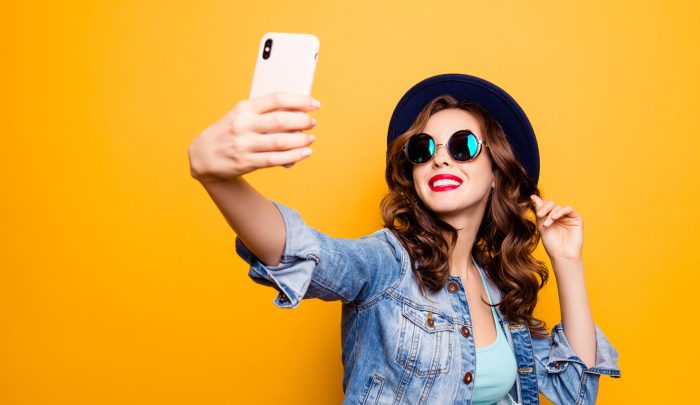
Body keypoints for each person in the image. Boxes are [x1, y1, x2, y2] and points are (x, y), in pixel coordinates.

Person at [188, 74, 621, 404]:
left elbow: (575, 391)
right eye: (422, 149)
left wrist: (567, 261)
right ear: (411, 174)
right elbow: (306, 253)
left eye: (462, 146)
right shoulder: (388, 263)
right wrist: (218, 178)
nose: (439, 158)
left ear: (496, 172)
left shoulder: (499, 291)